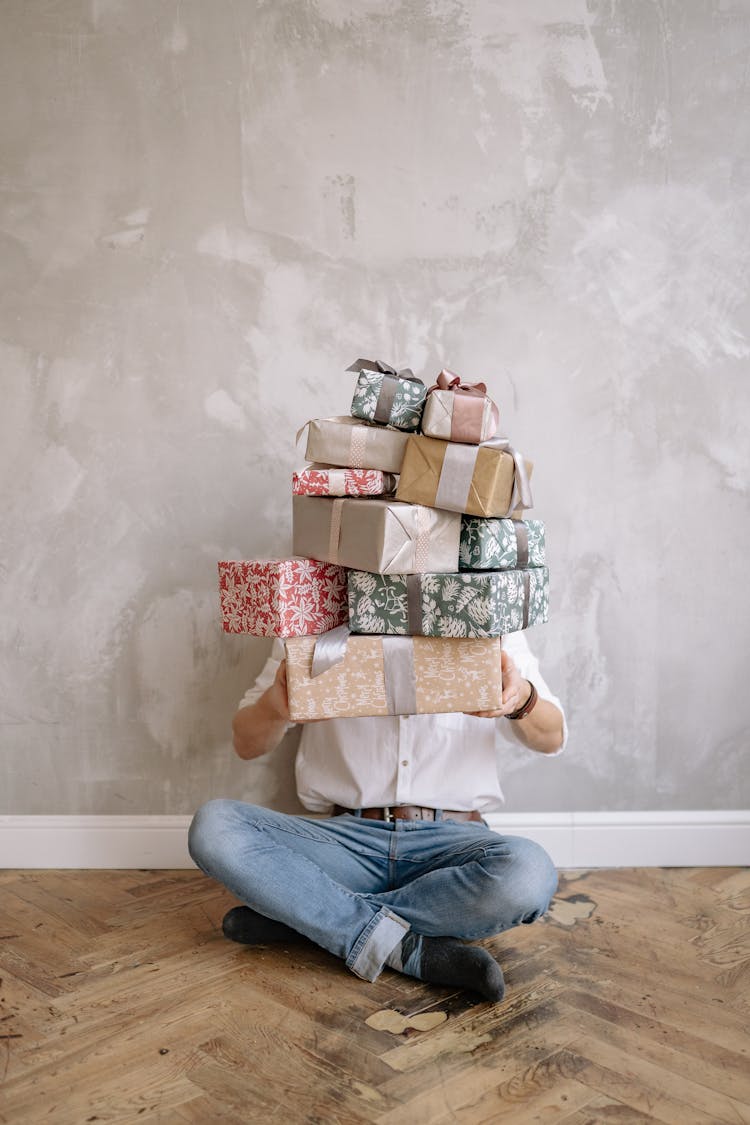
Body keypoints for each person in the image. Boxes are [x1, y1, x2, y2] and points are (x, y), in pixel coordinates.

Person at [188, 630, 566, 1002]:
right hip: (345, 844)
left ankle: (310, 919)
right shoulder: (310, 620)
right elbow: (246, 743)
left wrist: (521, 698)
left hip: (453, 847)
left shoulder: (488, 620)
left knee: (529, 873)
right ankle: (399, 944)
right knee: (215, 826)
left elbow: (552, 738)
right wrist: (277, 704)